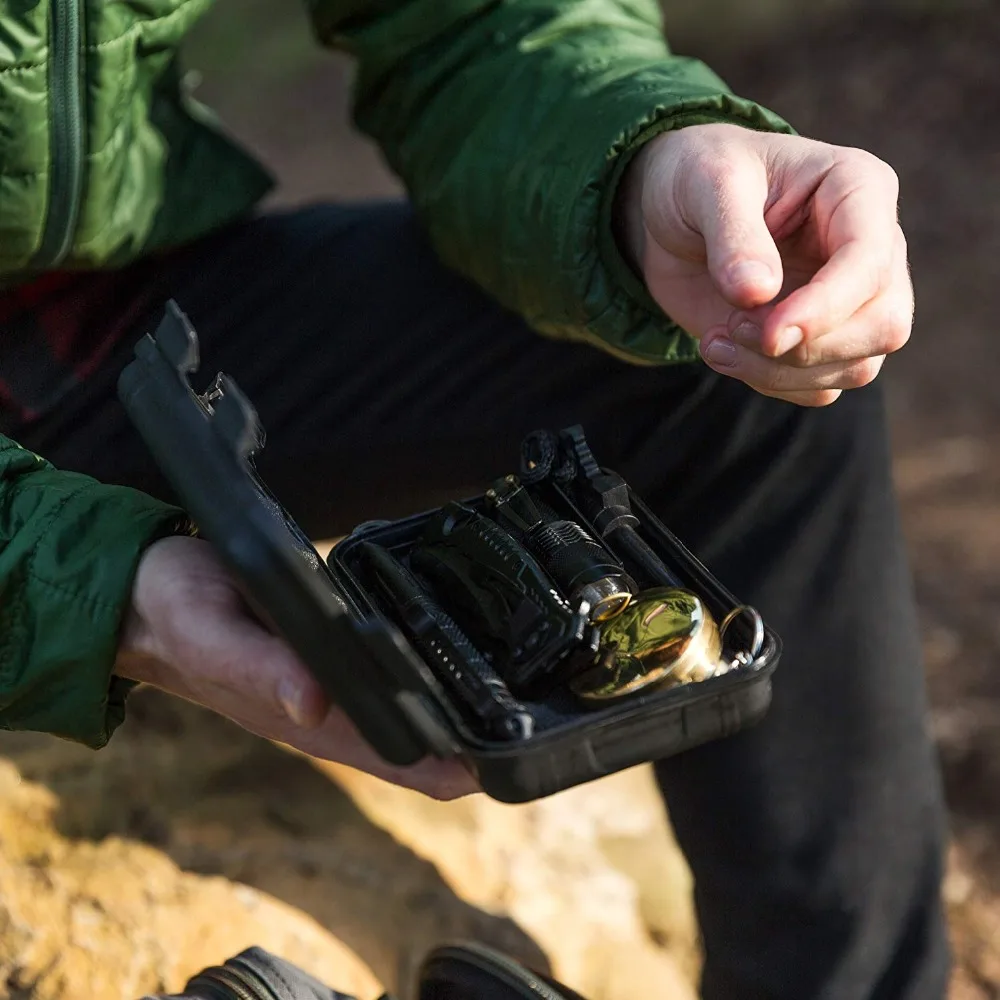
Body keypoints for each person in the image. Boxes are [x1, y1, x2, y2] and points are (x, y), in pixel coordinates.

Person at [0, 1, 948, 998]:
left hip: (95, 321)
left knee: (751, 352)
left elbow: (472, 19)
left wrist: (645, 165)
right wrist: (88, 584)